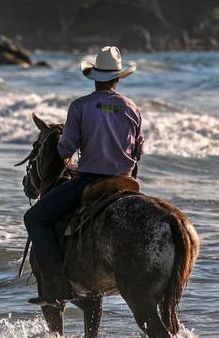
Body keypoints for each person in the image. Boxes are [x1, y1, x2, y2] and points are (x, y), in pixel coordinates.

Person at [24, 45, 144, 305]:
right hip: (126, 183)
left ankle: (55, 285)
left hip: (91, 181)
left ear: (94, 77)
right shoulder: (131, 108)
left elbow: (66, 148)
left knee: (34, 218)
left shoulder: (80, 106)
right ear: (117, 78)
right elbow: (138, 152)